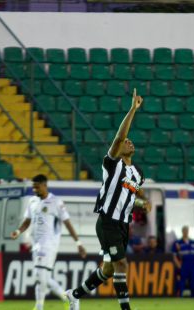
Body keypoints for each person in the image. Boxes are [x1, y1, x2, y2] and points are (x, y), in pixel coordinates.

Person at [65, 89, 151, 310]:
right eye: (126, 141)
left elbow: (128, 197)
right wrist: (133, 109)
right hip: (107, 222)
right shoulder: (112, 163)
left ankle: (74, 294)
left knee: (108, 270)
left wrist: (142, 202)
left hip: (123, 224)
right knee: (121, 264)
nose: (128, 142)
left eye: (130, 141)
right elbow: (119, 137)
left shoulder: (138, 174)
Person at [10, 174, 86, 310]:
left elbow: (67, 223)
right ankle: (69, 297)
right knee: (42, 277)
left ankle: (39, 307)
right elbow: (27, 221)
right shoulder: (32, 201)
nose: (34, 190)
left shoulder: (56, 202)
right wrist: (18, 231)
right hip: (36, 245)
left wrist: (78, 243)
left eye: (37, 187)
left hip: (49, 245)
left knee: (40, 275)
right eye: (33, 187)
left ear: (45, 185)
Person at [172, 226, 194, 298]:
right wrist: (178, 264)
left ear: (188, 231)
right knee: (181, 282)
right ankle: (179, 296)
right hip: (183, 264)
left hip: (193, 265)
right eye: (184, 231)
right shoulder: (178, 243)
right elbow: (174, 255)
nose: (185, 232)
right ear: (182, 232)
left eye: (186, 230)